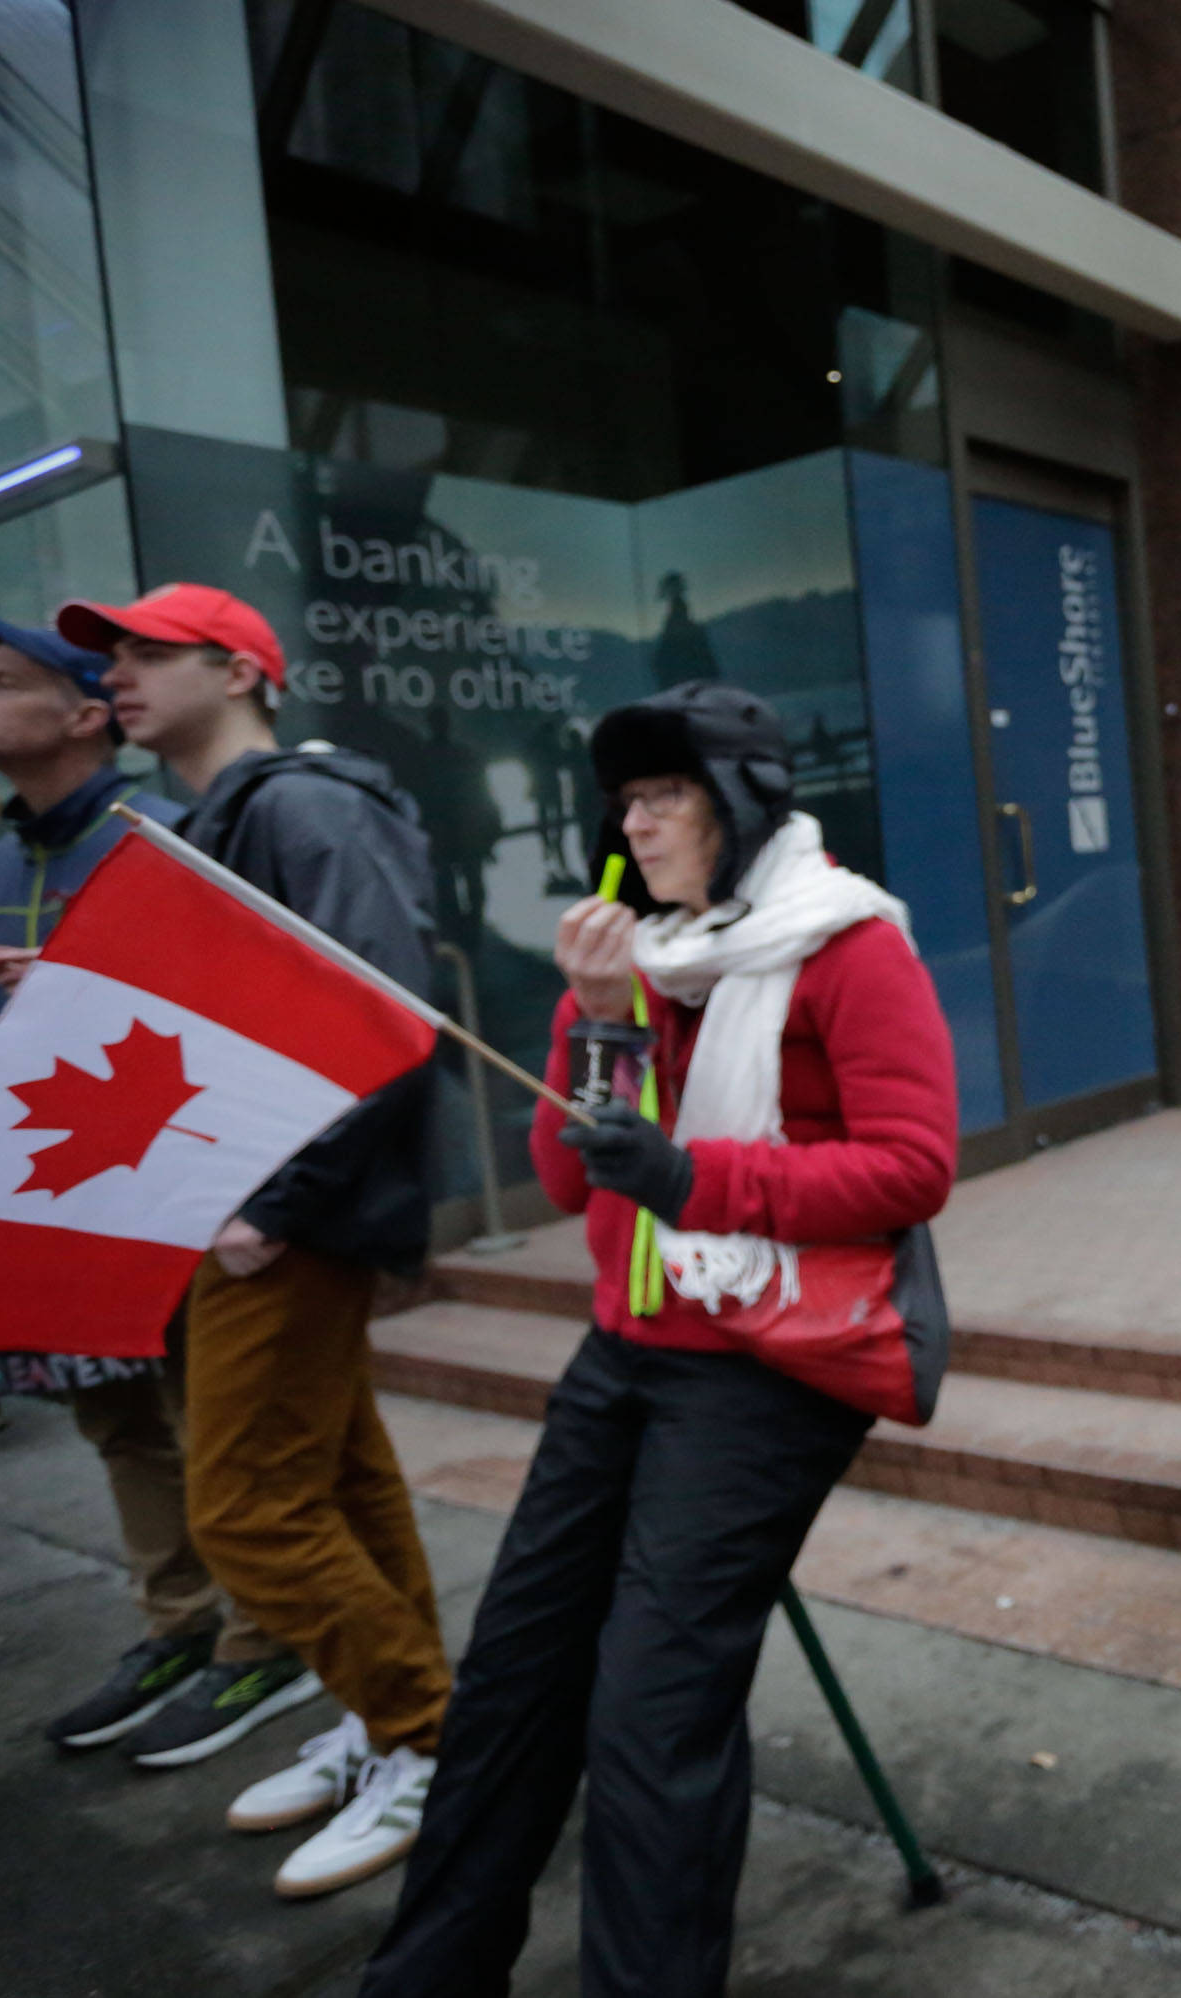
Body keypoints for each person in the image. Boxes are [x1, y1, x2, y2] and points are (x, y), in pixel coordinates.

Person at [361, 681, 956, 1997]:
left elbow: (914, 1168)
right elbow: (574, 1185)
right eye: (623, 801)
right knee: (513, 1676)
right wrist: (603, 1021)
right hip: (627, 1348)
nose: (636, 825)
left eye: (663, 795)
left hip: (769, 1366)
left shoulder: (848, 943)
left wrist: (697, 1177)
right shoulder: (641, 957)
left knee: (649, 1715)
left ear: (736, 803)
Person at [62, 582, 448, 1899]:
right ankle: (402, 1719)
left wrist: (274, 1204)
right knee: (336, 1477)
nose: (113, 672)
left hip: (280, 1221)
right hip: (260, 1210)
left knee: (241, 1505)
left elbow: (384, 1013)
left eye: (142, 652)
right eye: (107, 655)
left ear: (237, 668)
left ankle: (426, 1735)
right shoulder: (221, 820)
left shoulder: (301, 806)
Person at [0, 604, 280, 1750]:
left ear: (87, 716)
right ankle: (177, 1623)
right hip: (64, 1196)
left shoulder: (170, 841)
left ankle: (259, 1641)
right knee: (117, 1422)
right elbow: (0, 1030)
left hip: (176, 1192)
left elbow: (235, 1023)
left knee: (212, 1424)